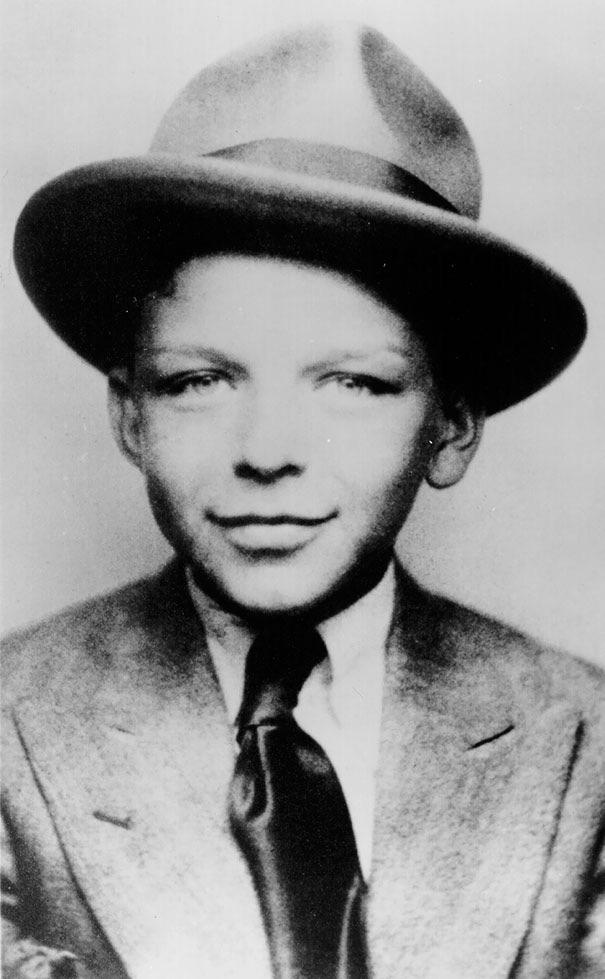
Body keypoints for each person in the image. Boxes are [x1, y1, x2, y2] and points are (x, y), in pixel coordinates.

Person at [2, 21, 604, 979]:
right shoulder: (14, 721)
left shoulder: (584, 740)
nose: (268, 453)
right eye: (200, 380)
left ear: (450, 427)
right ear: (129, 414)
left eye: (352, 383)